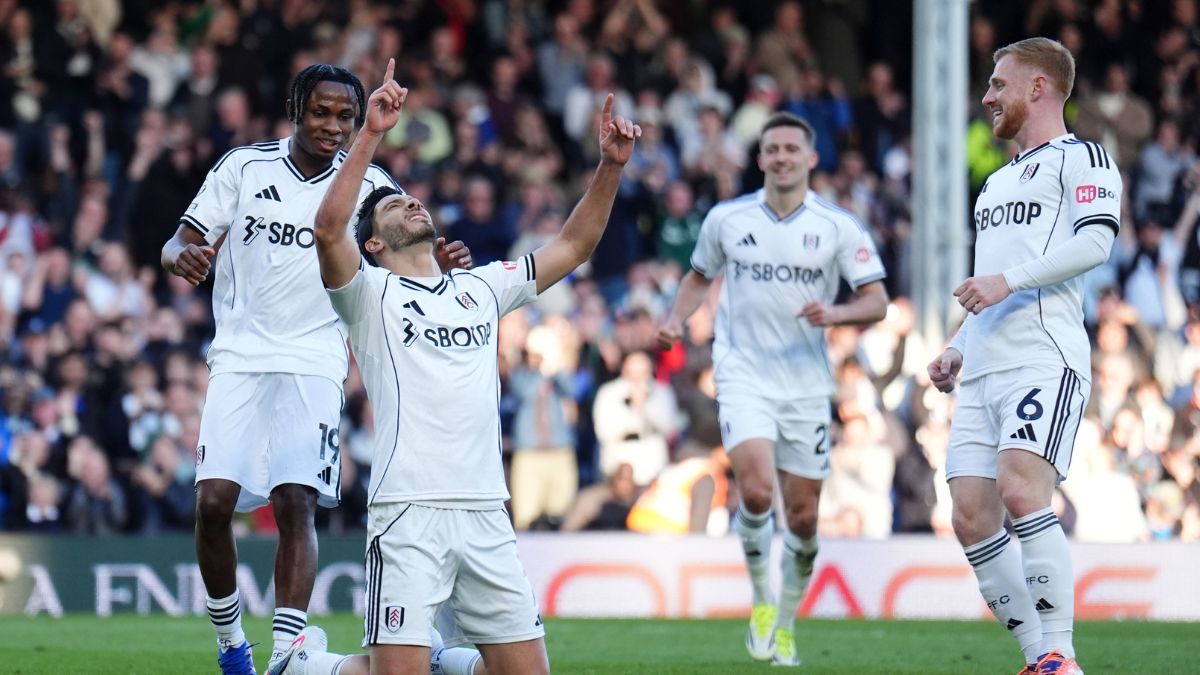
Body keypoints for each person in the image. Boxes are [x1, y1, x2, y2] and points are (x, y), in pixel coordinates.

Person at [274, 59, 640, 675]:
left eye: (413, 199)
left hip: (486, 510)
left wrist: (610, 168)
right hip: (409, 510)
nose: (410, 202)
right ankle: (309, 666)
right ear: (375, 245)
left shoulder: (483, 287)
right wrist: (370, 134)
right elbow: (328, 226)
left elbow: (573, 246)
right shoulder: (366, 296)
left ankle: (442, 662)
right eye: (393, 208)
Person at [160, 63, 472, 675]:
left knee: (295, 499)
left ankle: (286, 651)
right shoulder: (243, 168)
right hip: (241, 354)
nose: (333, 127)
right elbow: (179, 239)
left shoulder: (369, 181)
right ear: (295, 108)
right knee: (214, 502)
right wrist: (184, 257)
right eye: (322, 113)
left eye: (345, 117)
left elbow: (404, 244)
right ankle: (231, 646)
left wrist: (444, 256)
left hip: (317, 357)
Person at [656, 110, 888, 667]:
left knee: (804, 519)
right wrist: (675, 319)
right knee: (757, 493)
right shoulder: (727, 219)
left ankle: (785, 620)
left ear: (811, 158)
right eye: (772, 148)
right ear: (760, 159)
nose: (781, 156)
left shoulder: (837, 226)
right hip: (743, 375)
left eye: (792, 148)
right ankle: (762, 604)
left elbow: (877, 301)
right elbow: (698, 277)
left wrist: (834, 313)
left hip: (807, 385)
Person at [927, 38, 1121, 675]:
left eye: (997, 85)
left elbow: (1095, 245)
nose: (987, 97)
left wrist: (1007, 284)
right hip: (984, 365)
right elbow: (990, 278)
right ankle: (1041, 659)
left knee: (1020, 490)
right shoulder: (995, 184)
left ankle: (1062, 654)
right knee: (970, 514)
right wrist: (957, 347)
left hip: (1044, 355)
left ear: (1038, 88)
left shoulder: (1083, 158)